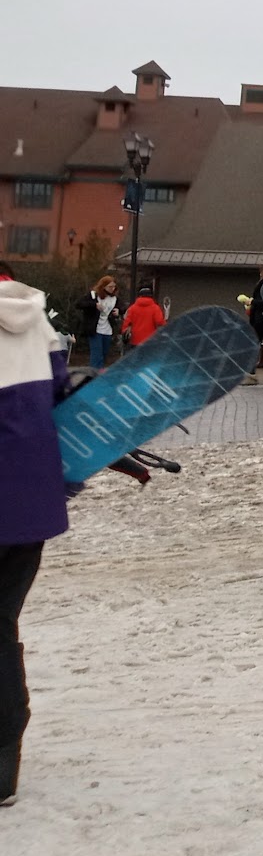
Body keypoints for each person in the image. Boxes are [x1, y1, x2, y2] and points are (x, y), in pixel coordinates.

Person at [1, 259, 68, 806]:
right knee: (2, 619)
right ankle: (7, 745)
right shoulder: (37, 320)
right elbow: (62, 399)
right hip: (30, 502)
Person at [81, 276, 120, 369]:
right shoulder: (93, 296)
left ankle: (99, 372)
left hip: (108, 330)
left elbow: (122, 308)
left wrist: (118, 311)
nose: (112, 289)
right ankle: (94, 374)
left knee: (104, 355)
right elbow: (79, 304)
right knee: (96, 355)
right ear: (103, 286)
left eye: (114, 286)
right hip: (96, 329)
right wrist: (94, 305)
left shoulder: (114, 298)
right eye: (110, 287)